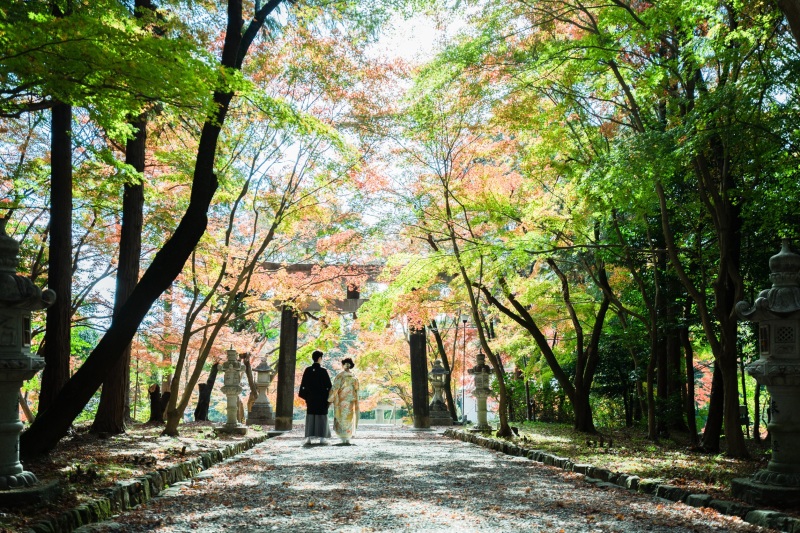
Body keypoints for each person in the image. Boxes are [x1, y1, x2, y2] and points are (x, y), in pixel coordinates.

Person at [298, 350, 332, 445]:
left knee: (311, 417)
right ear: (320, 358)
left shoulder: (307, 370)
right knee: (321, 417)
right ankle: (322, 438)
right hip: (322, 399)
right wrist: (328, 399)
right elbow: (329, 386)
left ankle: (308, 438)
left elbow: (303, 385)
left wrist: (307, 397)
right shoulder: (323, 371)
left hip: (311, 398)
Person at [328, 357, 359, 445]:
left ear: (343, 365)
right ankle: (347, 437)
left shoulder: (340, 376)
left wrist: (331, 399)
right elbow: (357, 389)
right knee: (349, 418)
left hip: (341, 400)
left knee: (341, 417)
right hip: (350, 401)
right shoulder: (354, 377)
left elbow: (335, 388)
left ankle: (342, 437)